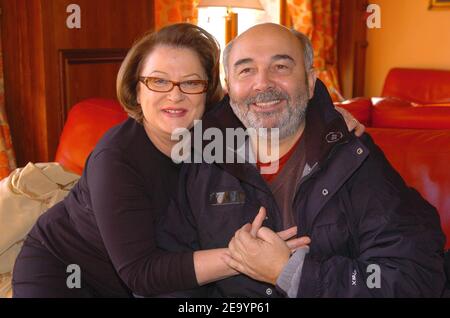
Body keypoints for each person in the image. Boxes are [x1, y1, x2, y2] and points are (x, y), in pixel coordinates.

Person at [12, 23, 364, 298]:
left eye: (191, 82)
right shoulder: (116, 159)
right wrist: (252, 257)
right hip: (62, 270)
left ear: (209, 93)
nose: (175, 95)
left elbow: (273, 93)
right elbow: (142, 272)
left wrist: (327, 118)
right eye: (158, 81)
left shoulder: (213, 123)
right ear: (137, 89)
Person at [158, 23, 447, 298]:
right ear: (229, 88)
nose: (262, 83)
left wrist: (290, 272)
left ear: (310, 82)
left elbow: (413, 276)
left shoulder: (354, 158)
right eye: (246, 70)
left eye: (281, 66)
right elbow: (168, 278)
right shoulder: (203, 161)